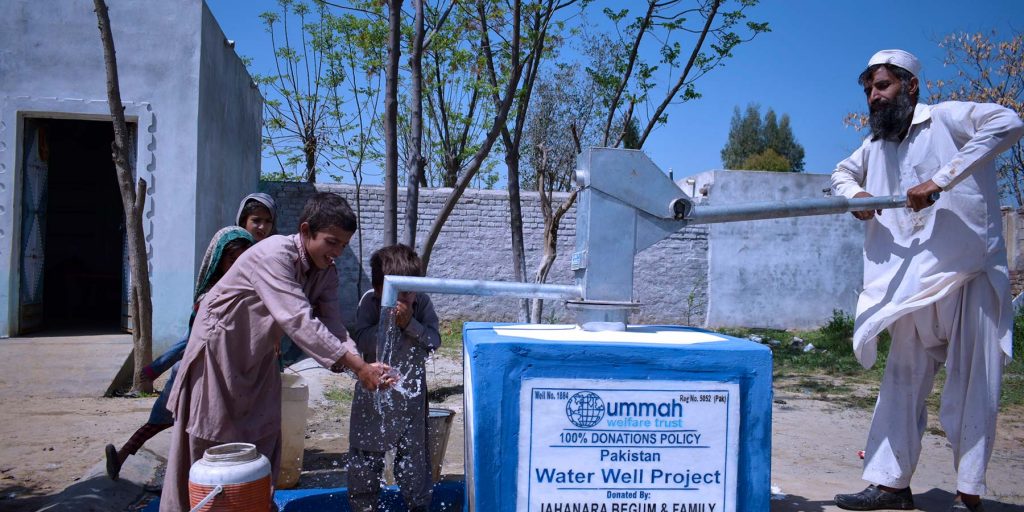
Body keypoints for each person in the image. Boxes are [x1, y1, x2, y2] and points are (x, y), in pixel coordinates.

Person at [831, 49, 1024, 512]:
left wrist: (941, 179)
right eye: (869, 90)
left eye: (882, 86)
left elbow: (1009, 122)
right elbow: (841, 174)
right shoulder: (873, 146)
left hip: (967, 272)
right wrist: (856, 194)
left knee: (974, 386)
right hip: (909, 283)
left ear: (910, 86)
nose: (873, 97)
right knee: (899, 382)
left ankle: (968, 494)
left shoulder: (950, 119)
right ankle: (891, 485)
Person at [158, 192, 394, 512]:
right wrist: (357, 366)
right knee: (209, 446)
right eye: (331, 242)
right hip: (218, 352)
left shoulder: (326, 271)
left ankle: (253, 505)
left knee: (264, 438)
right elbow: (297, 319)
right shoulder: (274, 255)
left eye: (343, 245)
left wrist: (362, 365)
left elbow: (334, 325)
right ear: (306, 230)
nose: (337, 252)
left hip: (260, 357)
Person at [105, 226, 255, 480]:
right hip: (193, 375)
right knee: (164, 421)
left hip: (223, 379)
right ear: (218, 261)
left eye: (244, 260)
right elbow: (191, 341)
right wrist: (157, 367)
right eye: (232, 260)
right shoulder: (211, 299)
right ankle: (125, 457)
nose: (238, 266)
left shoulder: (248, 295)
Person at [137, 192, 277, 384]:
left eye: (268, 221)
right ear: (243, 220)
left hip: (247, 334)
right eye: (256, 220)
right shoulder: (228, 240)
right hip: (217, 322)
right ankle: (160, 366)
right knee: (184, 364)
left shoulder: (270, 253)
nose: (262, 227)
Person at [347, 244, 441, 512]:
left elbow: (434, 342)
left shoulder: (421, 304)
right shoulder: (370, 302)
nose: (404, 299)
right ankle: (363, 507)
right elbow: (362, 340)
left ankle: (419, 506)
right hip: (372, 399)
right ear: (380, 289)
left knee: (414, 464)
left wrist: (410, 323)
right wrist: (389, 321)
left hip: (410, 400)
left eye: (408, 292)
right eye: (395, 294)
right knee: (365, 462)